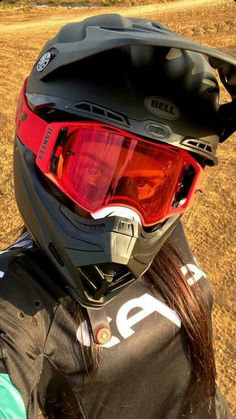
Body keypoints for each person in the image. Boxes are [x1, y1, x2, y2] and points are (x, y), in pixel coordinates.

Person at [0, 13, 235, 419]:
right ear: (39, 146)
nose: (123, 220)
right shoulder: (19, 298)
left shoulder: (161, 226)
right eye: (93, 172)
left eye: (145, 183)